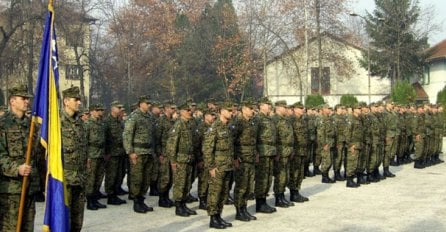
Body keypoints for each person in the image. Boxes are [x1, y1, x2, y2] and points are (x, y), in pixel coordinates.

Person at [0, 85, 41, 232]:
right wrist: (16, 169)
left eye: (28, 99)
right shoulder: (3, 124)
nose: (27, 102)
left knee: (27, 227)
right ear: (12, 101)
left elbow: (38, 156)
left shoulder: (32, 125)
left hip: (29, 188)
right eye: (23, 98)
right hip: (10, 191)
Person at [203, 101, 235, 229]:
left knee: (223, 192)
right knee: (215, 192)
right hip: (218, 166)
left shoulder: (228, 127)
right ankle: (213, 218)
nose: (231, 113)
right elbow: (207, 149)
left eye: (232, 111)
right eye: (229, 110)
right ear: (221, 111)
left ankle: (218, 216)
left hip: (227, 165)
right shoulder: (214, 128)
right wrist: (211, 166)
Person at [60, 86, 88, 232]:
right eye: (76, 100)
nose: (79, 103)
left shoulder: (80, 124)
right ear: (66, 101)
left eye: (79, 100)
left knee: (77, 222)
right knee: (63, 221)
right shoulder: (57, 123)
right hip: (64, 180)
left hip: (80, 179)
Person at [123, 95, 156, 213]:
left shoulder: (149, 117)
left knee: (146, 178)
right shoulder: (134, 117)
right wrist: (130, 152)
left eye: (149, 103)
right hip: (138, 152)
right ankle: (136, 202)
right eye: (147, 103)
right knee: (137, 178)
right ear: (141, 103)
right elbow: (127, 135)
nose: (149, 105)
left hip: (148, 152)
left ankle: (142, 200)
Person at [233, 100, 258, 221]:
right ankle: (239, 210)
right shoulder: (238, 123)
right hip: (242, 158)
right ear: (243, 109)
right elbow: (231, 141)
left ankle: (244, 208)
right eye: (250, 108)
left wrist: (256, 153)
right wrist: (234, 158)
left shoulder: (252, 123)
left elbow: (254, 140)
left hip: (251, 157)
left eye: (253, 108)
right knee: (241, 186)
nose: (252, 110)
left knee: (248, 186)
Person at [255, 97, 277, 214]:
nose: (269, 106)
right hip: (262, 152)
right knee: (261, 179)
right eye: (267, 105)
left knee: (268, 178)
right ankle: (260, 203)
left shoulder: (269, 119)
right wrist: (256, 152)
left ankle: (264, 201)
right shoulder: (258, 119)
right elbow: (254, 137)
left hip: (269, 152)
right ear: (261, 106)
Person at [104, 101, 127, 205]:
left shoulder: (119, 121)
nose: (120, 109)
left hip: (120, 152)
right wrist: (106, 152)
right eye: (118, 107)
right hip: (111, 153)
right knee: (111, 175)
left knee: (118, 174)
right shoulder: (107, 121)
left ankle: (115, 192)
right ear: (113, 109)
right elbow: (104, 138)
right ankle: (110, 195)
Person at [85, 103, 108, 210]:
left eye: (101, 110)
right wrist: (87, 157)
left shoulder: (101, 124)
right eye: (98, 110)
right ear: (92, 111)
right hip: (92, 154)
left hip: (100, 154)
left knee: (99, 177)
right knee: (91, 179)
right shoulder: (87, 124)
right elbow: (84, 142)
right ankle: (90, 201)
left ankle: (95, 198)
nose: (100, 112)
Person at [272, 100, 295, 207]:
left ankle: (282, 196)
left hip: (287, 150)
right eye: (284, 107)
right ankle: (278, 197)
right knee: (280, 176)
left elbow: (290, 136)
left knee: (285, 176)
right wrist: (276, 152)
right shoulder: (274, 120)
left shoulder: (285, 120)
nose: (286, 109)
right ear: (278, 108)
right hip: (280, 152)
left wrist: (291, 149)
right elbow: (273, 137)